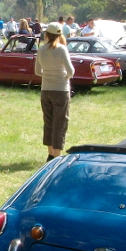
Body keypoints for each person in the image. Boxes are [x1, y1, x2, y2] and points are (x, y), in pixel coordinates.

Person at [35, 23, 74, 163]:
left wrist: (48, 74)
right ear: (59, 35)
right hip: (61, 90)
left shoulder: (41, 49)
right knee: (60, 122)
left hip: (46, 89)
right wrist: (63, 77)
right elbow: (71, 71)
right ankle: (57, 156)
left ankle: (50, 154)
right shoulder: (62, 49)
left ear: (47, 34)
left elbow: (37, 71)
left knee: (49, 121)